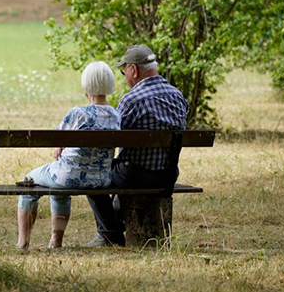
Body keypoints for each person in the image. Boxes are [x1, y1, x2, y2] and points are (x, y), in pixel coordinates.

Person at [82, 45, 188, 248]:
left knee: (92, 175)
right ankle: (112, 230)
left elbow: (113, 139)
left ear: (134, 70)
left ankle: (110, 235)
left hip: (135, 174)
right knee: (123, 168)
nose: (125, 77)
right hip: (167, 174)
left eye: (124, 72)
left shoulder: (131, 100)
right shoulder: (178, 96)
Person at [16, 61, 121, 251]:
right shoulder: (116, 115)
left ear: (86, 86)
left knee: (29, 183)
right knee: (59, 185)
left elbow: (57, 139)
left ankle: (23, 243)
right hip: (101, 180)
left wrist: (60, 147)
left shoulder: (77, 113)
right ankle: (55, 242)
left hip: (68, 177)